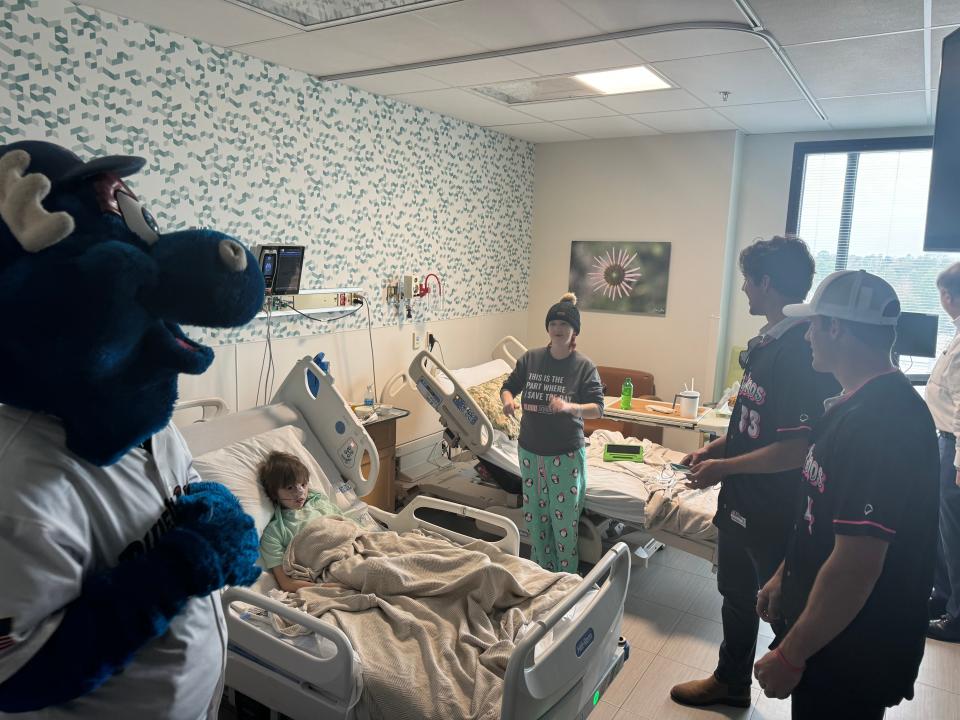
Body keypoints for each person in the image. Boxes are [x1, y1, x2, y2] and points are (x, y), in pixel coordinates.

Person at [753, 270, 939, 719]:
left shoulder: (883, 423)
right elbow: (821, 513)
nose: (808, 337)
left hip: (853, 650)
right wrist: (786, 573)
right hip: (830, 637)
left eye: (814, 325)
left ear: (836, 327)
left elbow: (857, 566)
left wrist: (791, 653)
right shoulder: (853, 404)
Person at [671, 236, 839, 709]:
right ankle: (730, 681)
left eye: (747, 280)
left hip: (775, 509)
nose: (743, 289)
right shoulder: (767, 345)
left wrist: (724, 467)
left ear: (766, 283)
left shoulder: (801, 354)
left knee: (784, 608)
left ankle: (813, 701)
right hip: (741, 502)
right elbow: (759, 427)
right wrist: (717, 449)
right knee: (736, 595)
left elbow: (796, 447)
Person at [500, 292, 603, 572]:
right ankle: (539, 575)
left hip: (564, 453)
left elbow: (598, 409)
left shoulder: (583, 366)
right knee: (536, 520)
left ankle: (566, 582)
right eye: (553, 324)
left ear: (574, 331)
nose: (558, 330)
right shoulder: (531, 359)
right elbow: (508, 386)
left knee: (564, 524)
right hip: (530, 451)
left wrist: (570, 407)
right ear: (548, 327)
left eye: (564, 325)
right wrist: (508, 400)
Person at [927, 262, 960, 642]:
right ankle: (942, 595)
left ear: (949, 296)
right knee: (941, 525)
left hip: (954, 447)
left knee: (954, 531)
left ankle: (957, 615)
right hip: (944, 440)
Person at [258, 451, 347, 592]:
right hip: (332, 571)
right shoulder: (274, 533)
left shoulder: (320, 502)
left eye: (303, 484)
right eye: (290, 487)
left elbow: (348, 527)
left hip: (352, 550)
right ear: (274, 493)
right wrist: (323, 587)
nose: (300, 492)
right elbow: (286, 584)